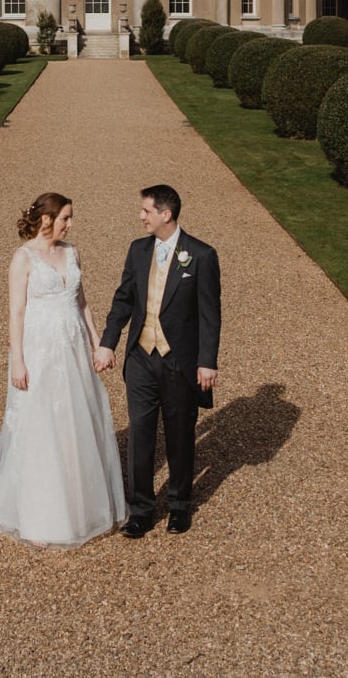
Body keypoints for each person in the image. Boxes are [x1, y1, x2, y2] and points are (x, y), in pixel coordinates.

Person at [0, 192, 127, 547]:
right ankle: (41, 517)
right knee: (43, 425)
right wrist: (18, 360)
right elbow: (16, 312)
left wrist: (98, 342)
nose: (71, 223)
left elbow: (82, 302)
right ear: (46, 219)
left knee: (77, 421)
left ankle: (82, 506)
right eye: (66, 217)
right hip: (40, 350)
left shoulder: (72, 251)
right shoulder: (23, 258)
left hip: (74, 347)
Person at [93, 183, 220, 537]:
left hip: (180, 363)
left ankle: (179, 506)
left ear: (166, 214)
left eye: (146, 211)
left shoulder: (202, 255)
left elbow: (210, 314)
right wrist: (108, 343)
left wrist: (207, 361)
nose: (140, 216)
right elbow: (122, 301)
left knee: (180, 435)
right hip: (140, 361)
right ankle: (142, 510)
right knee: (140, 436)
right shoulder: (137, 251)